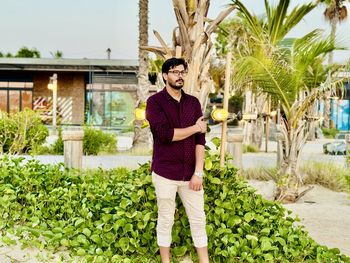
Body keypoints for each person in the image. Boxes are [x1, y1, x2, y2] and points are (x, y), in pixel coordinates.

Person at [146, 57, 209, 263]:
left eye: (182, 72)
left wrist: (198, 172)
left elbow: (200, 140)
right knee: (166, 219)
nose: (179, 75)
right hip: (165, 173)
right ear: (165, 76)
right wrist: (195, 128)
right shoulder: (154, 103)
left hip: (191, 174)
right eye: (174, 72)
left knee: (198, 219)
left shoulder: (193, 103)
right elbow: (166, 135)